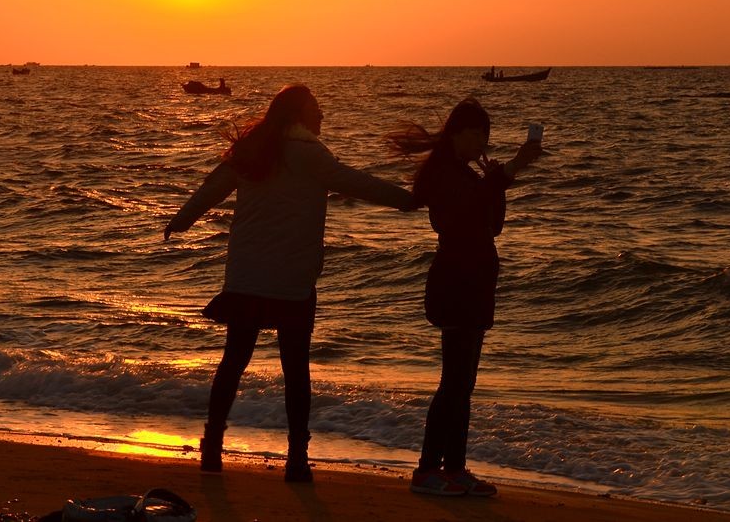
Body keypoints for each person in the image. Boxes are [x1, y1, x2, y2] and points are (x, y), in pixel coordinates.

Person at [164, 84, 414, 482]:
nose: (322, 116)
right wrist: (407, 200)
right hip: (291, 282)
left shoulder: (255, 149)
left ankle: (212, 448)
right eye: (317, 108)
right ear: (299, 114)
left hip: (247, 276)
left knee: (235, 360)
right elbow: (357, 183)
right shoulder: (309, 154)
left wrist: (180, 220)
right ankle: (297, 459)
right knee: (295, 368)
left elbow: (212, 187)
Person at [387, 98, 542, 497]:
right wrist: (508, 172)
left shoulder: (469, 174)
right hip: (455, 282)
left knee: (464, 383)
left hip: (476, 282)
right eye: (474, 133)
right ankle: (427, 470)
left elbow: (492, 226)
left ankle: (454, 468)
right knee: (453, 382)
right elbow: (463, 210)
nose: (480, 141)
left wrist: (497, 183)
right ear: (455, 134)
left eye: (484, 135)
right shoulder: (443, 173)